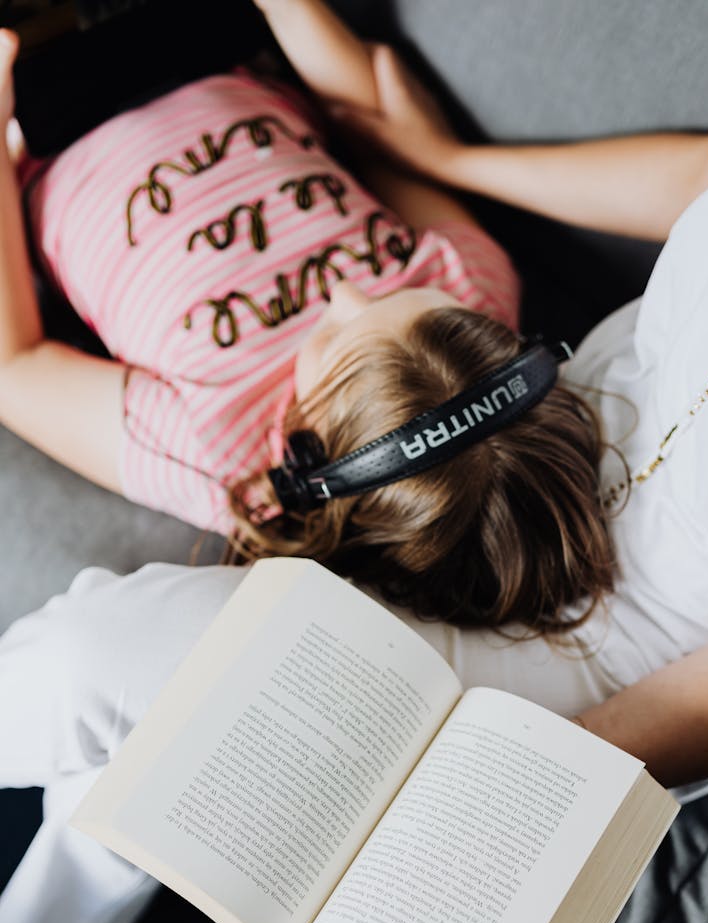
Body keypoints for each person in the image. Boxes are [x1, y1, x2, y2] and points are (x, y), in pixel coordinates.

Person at [1, 5, 616, 636]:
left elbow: (14, 367)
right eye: (393, 294)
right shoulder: (471, 291)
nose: (346, 291)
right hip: (217, 50)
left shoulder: (220, 455)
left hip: (42, 131)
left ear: (310, 459)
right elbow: (385, 144)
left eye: (333, 338)